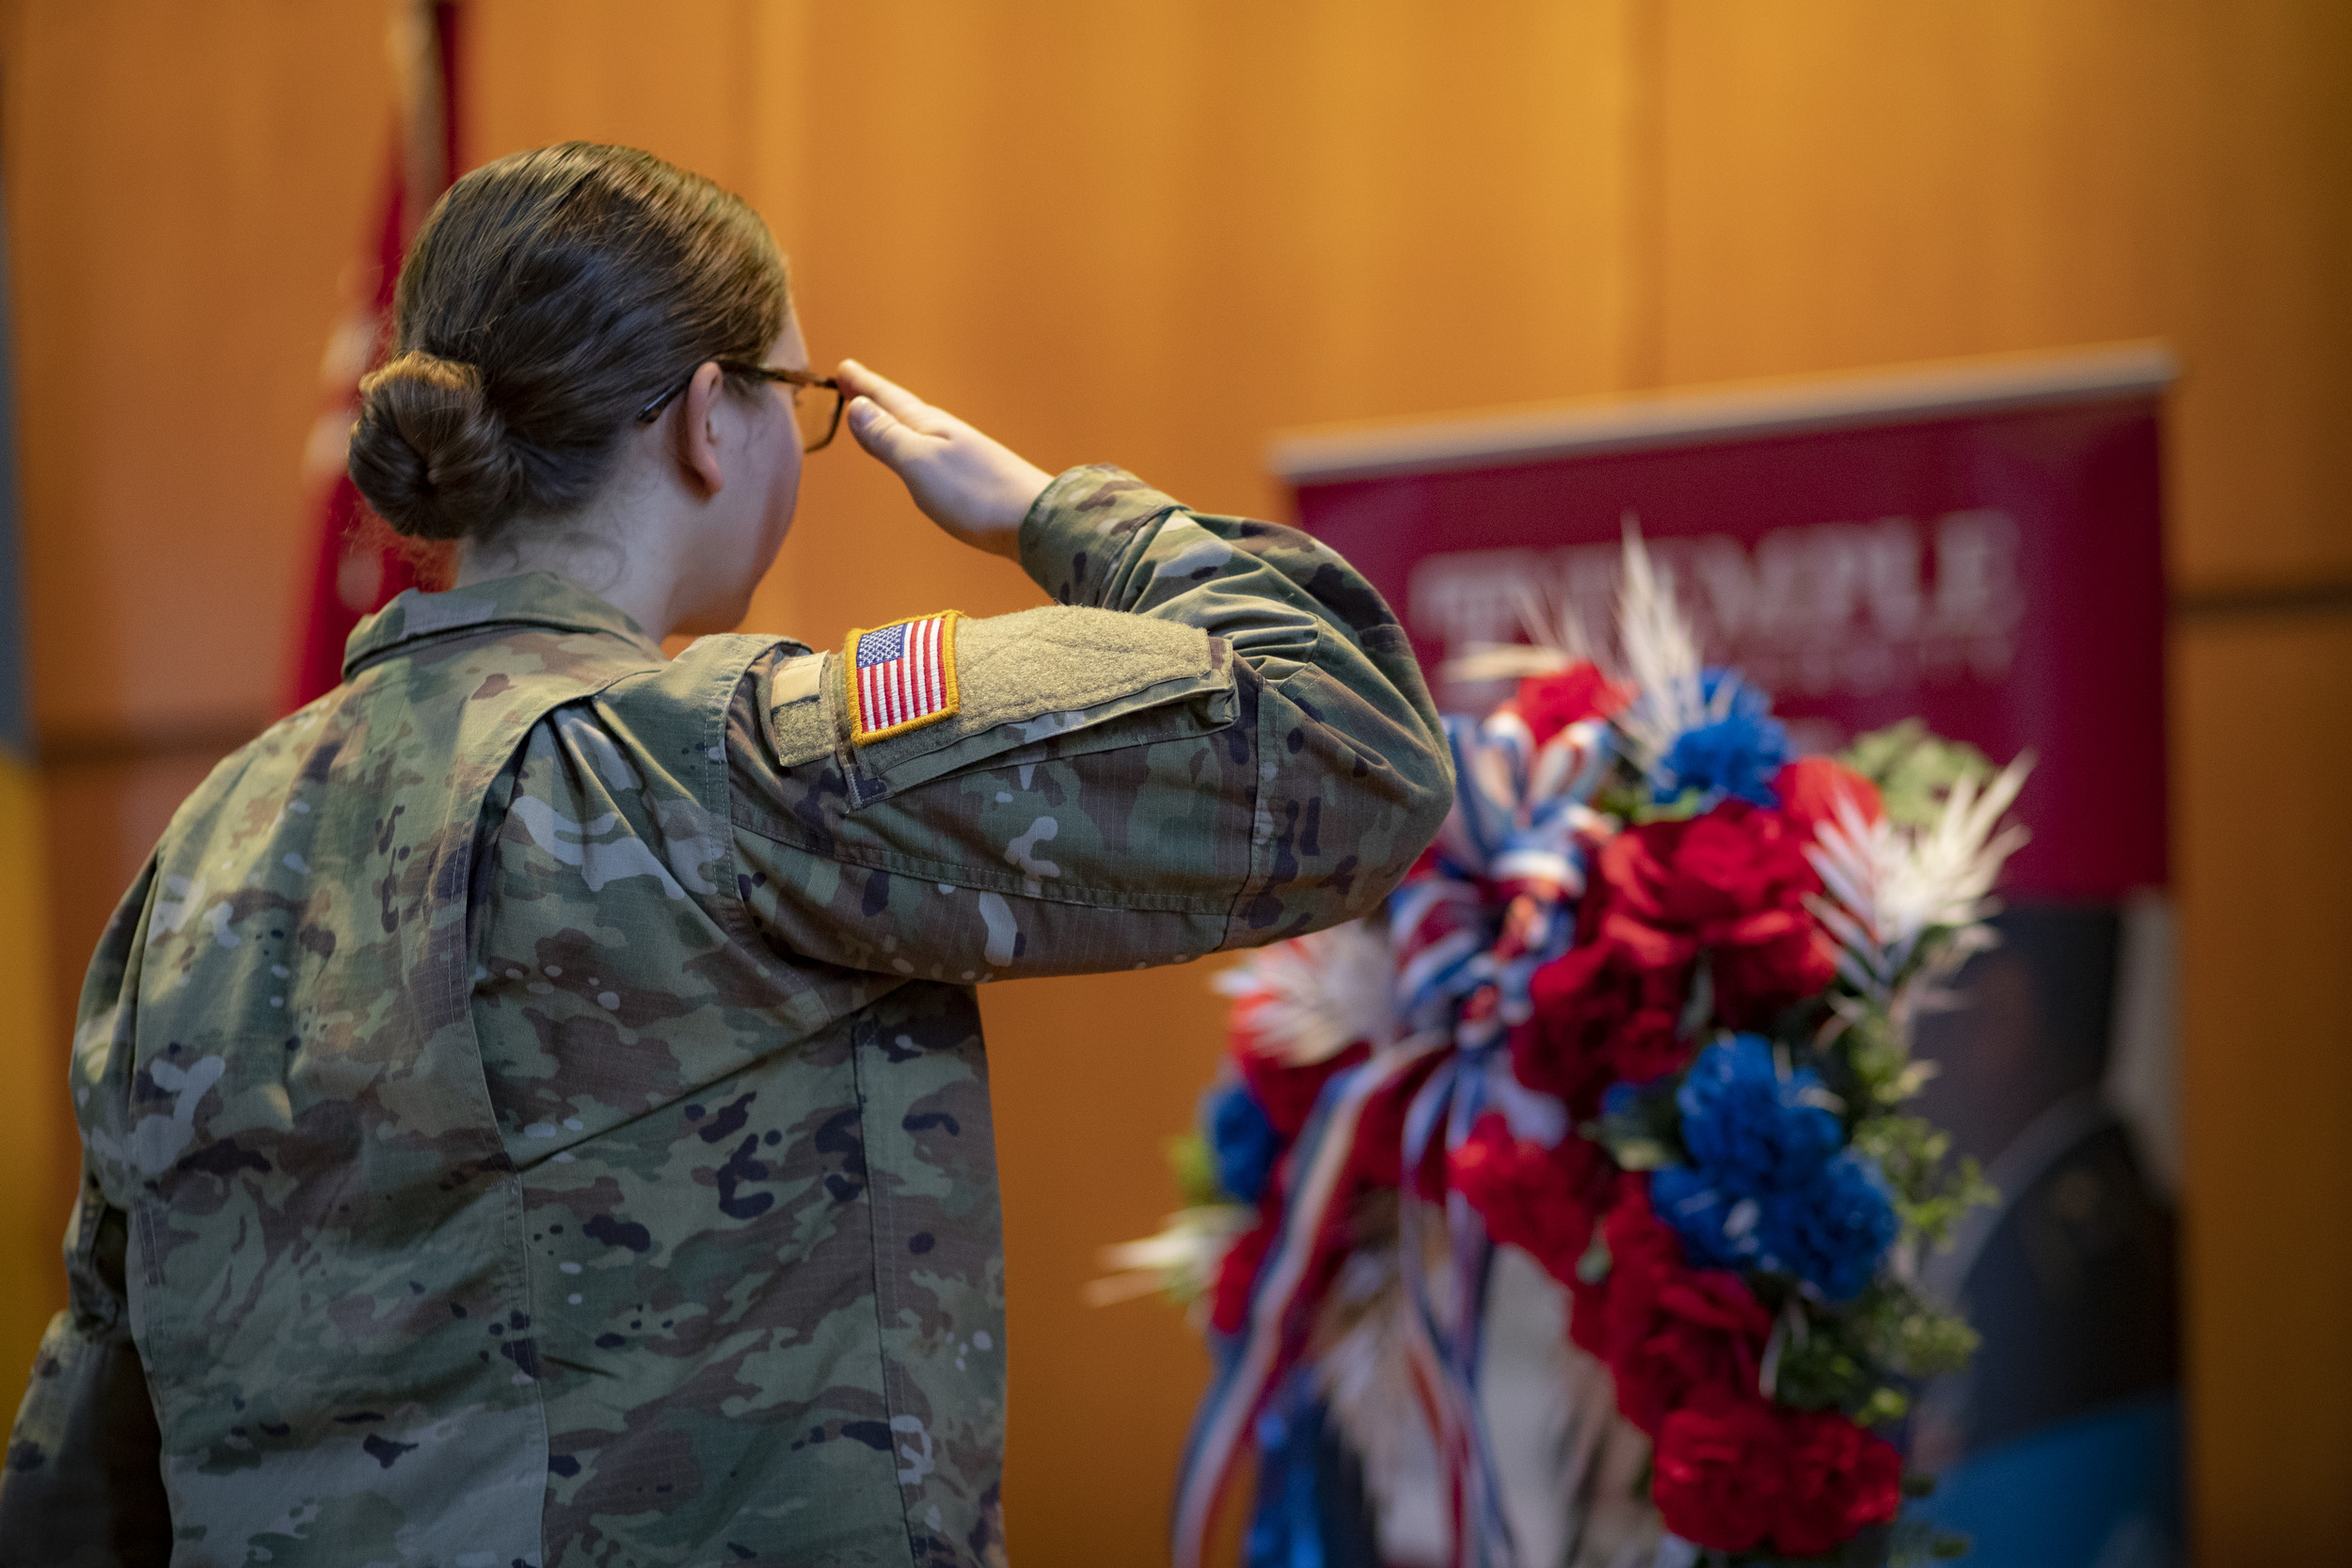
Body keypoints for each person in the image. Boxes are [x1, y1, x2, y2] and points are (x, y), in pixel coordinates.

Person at [0, 142, 1453, 1568]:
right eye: (794, 397)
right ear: (710, 417)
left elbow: (89, 1451)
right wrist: (1052, 512)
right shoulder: (727, 766)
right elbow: (1350, 741)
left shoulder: (200, 854)